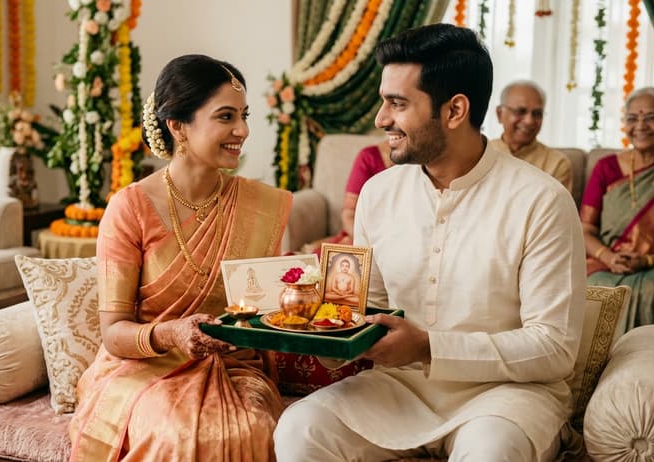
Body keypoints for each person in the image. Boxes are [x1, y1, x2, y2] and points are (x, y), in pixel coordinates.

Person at [275, 24, 586, 462]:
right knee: (299, 429)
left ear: (455, 109)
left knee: (491, 452)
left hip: (505, 398)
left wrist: (428, 347)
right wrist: (320, 332)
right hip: (398, 386)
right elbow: (366, 310)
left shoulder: (541, 200)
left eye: (397, 103)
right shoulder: (378, 194)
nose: (382, 119)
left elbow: (554, 348)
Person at [68, 54, 292, 461]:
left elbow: (264, 311)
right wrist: (171, 333)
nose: (242, 130)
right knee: (174, 435)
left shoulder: (259, 205)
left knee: (258, 427)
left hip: (232, 366)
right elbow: (114, 332)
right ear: (177, 126)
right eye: (226, 117)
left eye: (244, 116)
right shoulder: (129, 208)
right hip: (141, 369)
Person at [581, 86, 654, 333]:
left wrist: (648, 259)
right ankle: (594, 367)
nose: (641, 126)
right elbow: (584, 229)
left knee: (653, 289)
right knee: (595, 285)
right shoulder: (606, 168)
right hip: (606, 262)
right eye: (632, 119)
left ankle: (651, 363)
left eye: (651, 118)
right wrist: (608, 257)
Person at [301, 141, 392, 254]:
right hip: (363, 239)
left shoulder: (418, 164)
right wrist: (369, 244)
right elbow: (349, 214)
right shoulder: (369, 157)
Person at [490, 80, 573, 193]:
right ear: (499, 114)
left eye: (537, 113)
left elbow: (556, 209)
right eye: (520, 111)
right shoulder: (480, 153)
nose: (529, 121)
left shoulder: (557, 163)